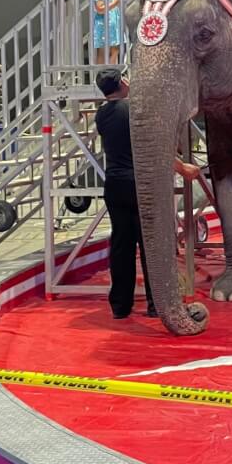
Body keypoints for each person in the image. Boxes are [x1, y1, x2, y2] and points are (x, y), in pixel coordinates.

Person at [94, 67, 161, 319]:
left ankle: (120, 305)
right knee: (150, 245)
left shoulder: (101, 116)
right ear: (123, 81)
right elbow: (154, 144)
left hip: (114, 185)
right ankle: (157, 302)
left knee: (121, 246)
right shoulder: (133, 110)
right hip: (139, 184)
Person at [90, 0, 124, 65]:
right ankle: (106, 73)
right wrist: (115, 3)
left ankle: (109, 73)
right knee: (106, 51)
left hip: (109, 27)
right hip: (105, 27)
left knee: (113, 50)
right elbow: (100, 9)